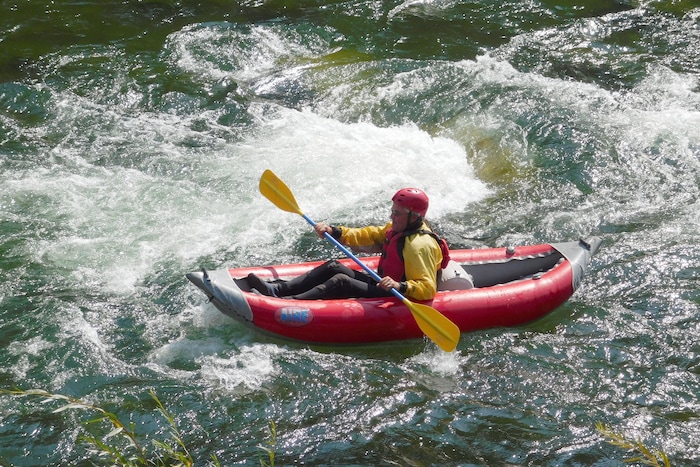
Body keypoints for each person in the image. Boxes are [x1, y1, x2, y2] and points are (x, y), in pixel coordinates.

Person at [247, 188, 450, 301]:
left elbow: (427, 288)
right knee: (333, 265)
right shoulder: (398, 229)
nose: (392, 215)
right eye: (393, 210)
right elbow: (368, 234)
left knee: (341, 280)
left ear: (414, 216)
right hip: (383, 283)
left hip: (395, 292)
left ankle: (290, 303)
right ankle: (277, 290)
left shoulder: (419, 246)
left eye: (397, 213)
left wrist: (399, 285)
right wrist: (335, 231)